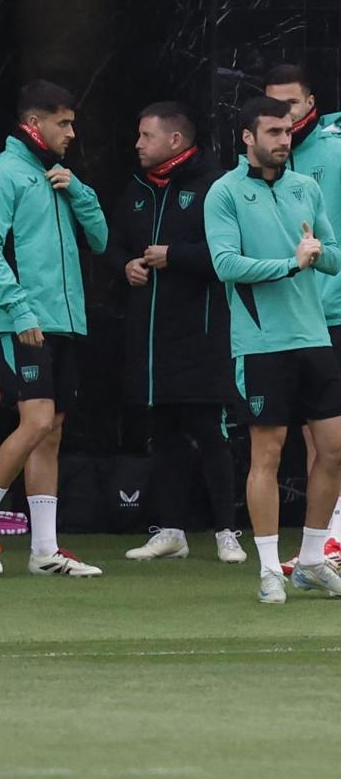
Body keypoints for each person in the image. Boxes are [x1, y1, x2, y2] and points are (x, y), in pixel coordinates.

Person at [0, 80, 108, 577]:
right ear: (34, 124)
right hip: (23, 321)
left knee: (52, 431)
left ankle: (45, 549)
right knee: (37, 422)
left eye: (73, 121)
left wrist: (80, 189)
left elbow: (102, 239)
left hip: (64, 321)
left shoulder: (58, 175)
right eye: (63, 123)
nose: (72, 131)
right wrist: (20, 312)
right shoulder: (3, 173)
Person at [204, 95, 341, 603]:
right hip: (261, 345)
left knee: (334, 450)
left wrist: (318, 253)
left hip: (315, 338)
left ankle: (309, 561)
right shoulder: (225, 193)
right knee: (267, 454)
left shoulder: (307, 187)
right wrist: (290, 263)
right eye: (274, 133)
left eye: (288, 132)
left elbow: (332, 257)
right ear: (248, 137)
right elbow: (225, 264)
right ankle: (268, 569)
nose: (284, 141)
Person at [106, 102, 244, 563]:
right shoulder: (136, 190)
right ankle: (171, 531)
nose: (138, 144)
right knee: (162, 434)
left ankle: (227, 530)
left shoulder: (216, 187)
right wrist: (124, 265)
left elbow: (229, 255)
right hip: (150, 338)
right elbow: (114, 245)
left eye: (146, 136)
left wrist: (175, 256)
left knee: (209, 432)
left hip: (201, 336)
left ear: (175, 141)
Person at [262, 65, 341, 573]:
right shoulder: (270, 162)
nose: (284, 114)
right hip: (302, 313)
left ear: (310, 100)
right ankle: (323, 546)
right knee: (318, 438)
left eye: (291, 103)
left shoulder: (333, 146)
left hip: (335, 306)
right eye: (273, 105)